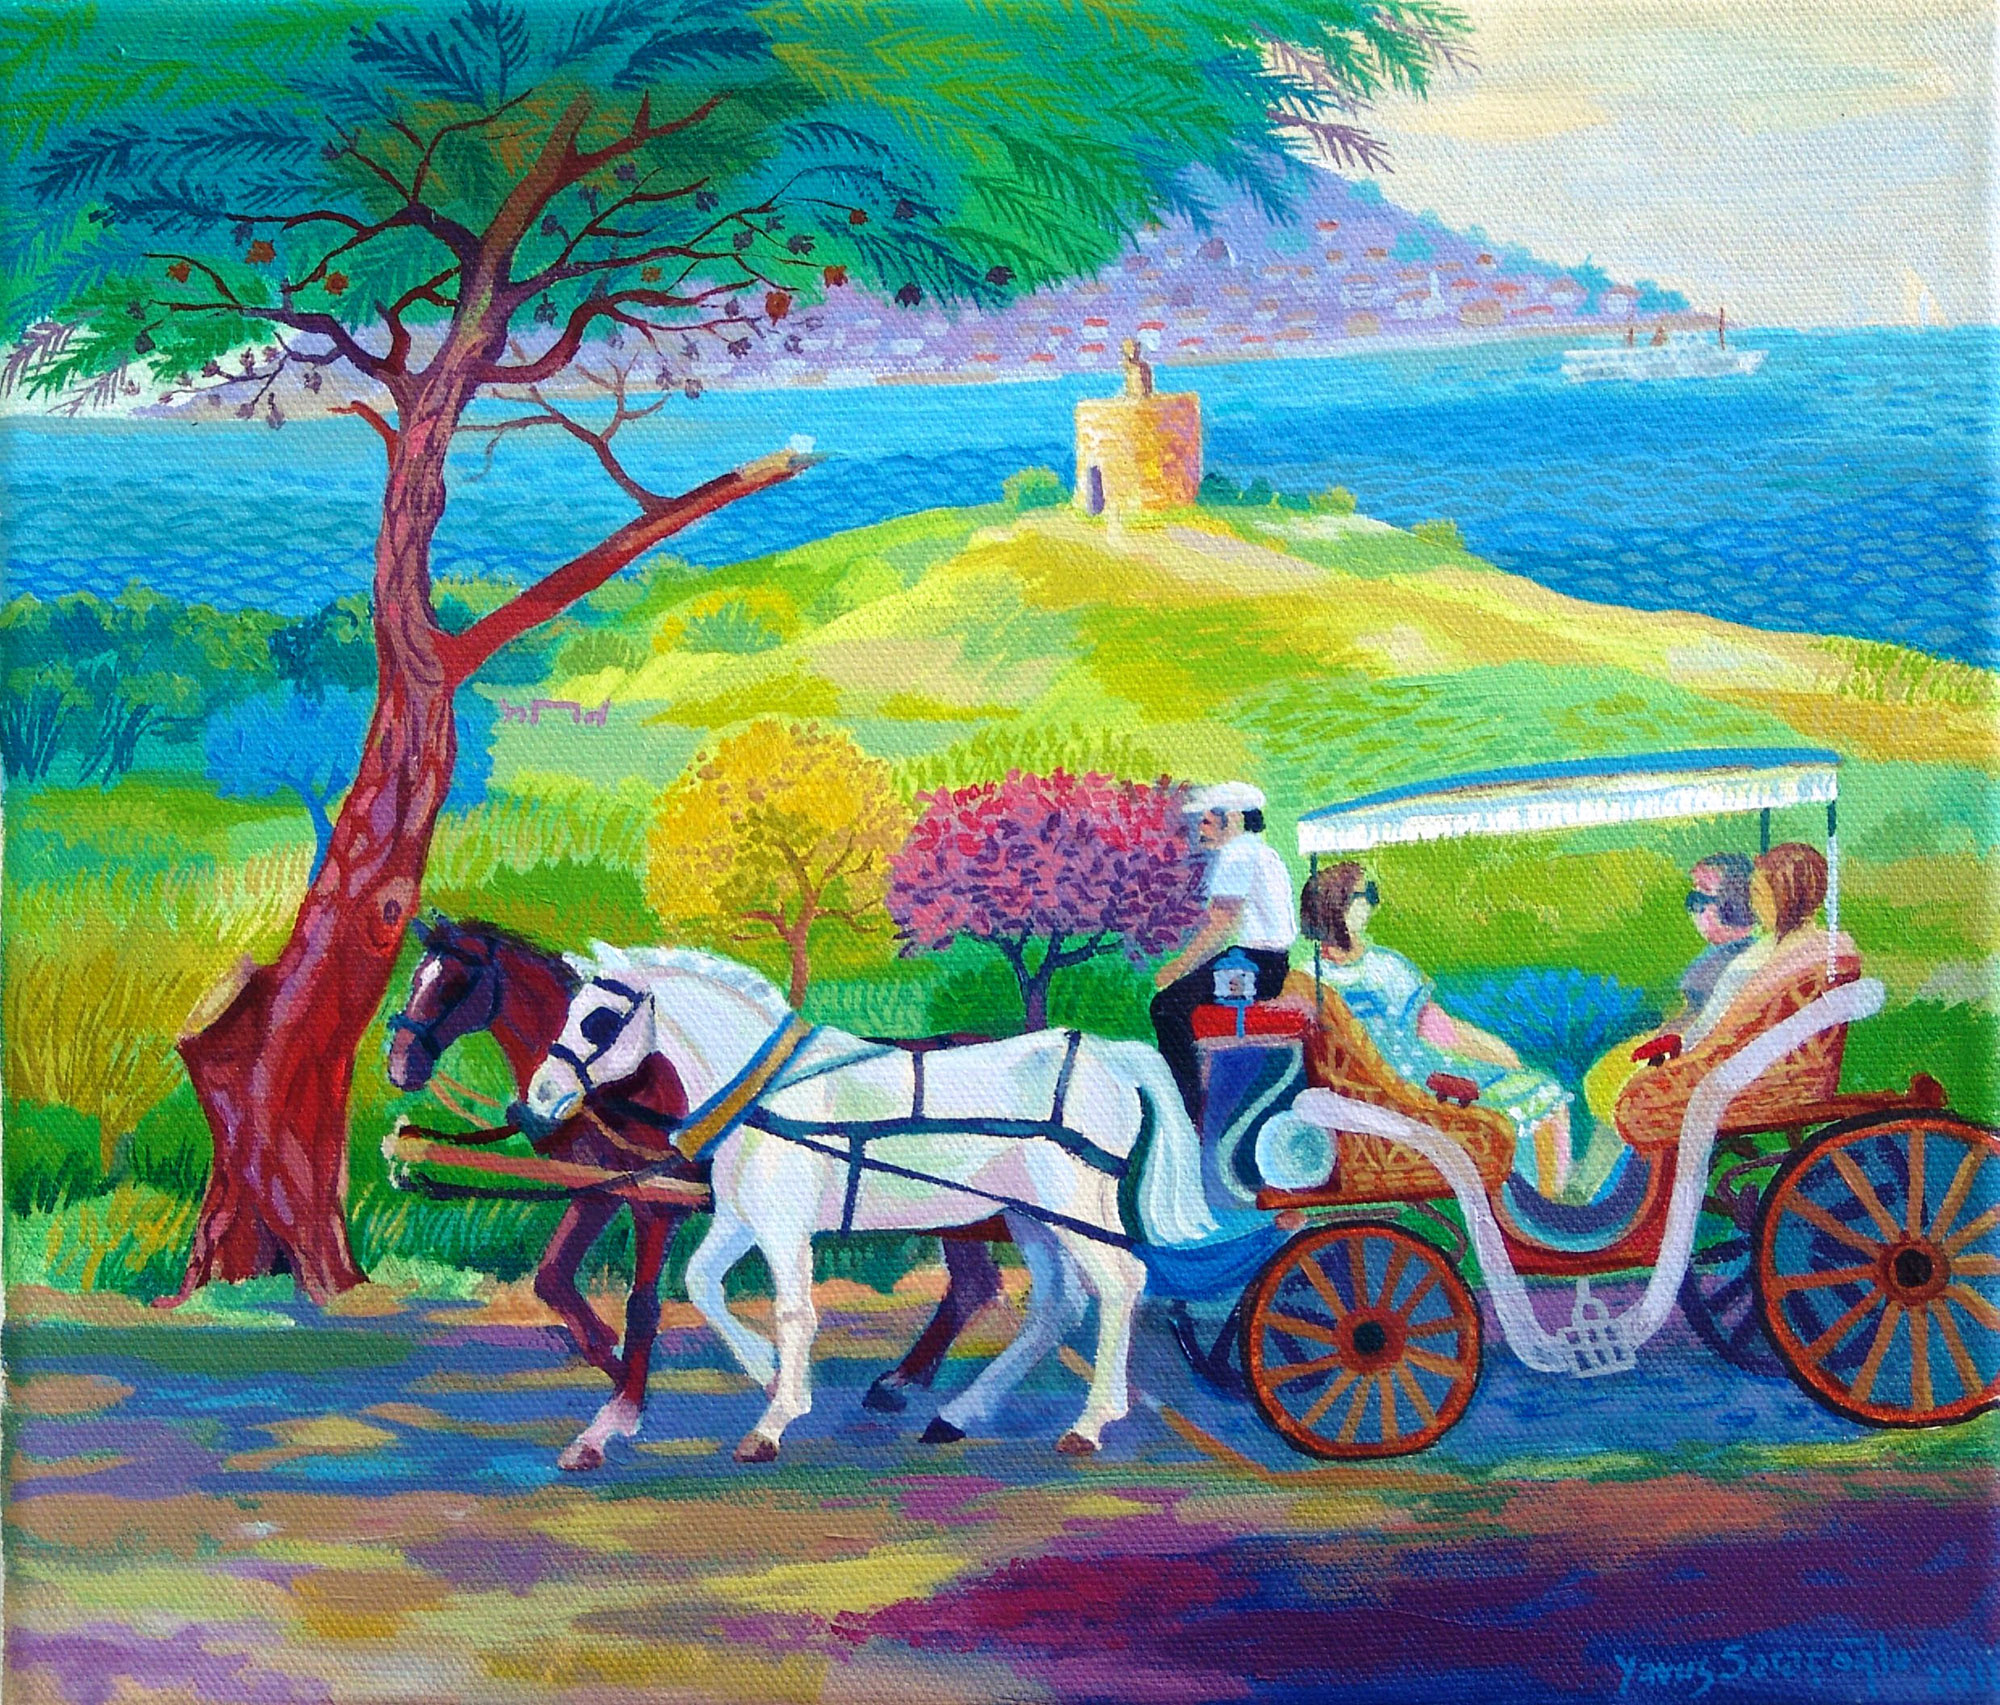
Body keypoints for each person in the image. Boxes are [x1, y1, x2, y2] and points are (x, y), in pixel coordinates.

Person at [1280, 862, 1575, 1198]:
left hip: (1368, 1096)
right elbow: (1440, 1031)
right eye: (1368, 894)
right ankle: (1549, 1199)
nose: (1374, 903)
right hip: (1417, 1084)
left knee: (1527, 1090)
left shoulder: (1306, 979)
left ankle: (1534, 1197)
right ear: (1339, 906)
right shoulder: (1384, 968)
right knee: (1546, 1093)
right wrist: (1501, 1053)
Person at [1150, 782, 1295, 1120]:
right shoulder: (1262, 852)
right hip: (1268, 964)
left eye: (1206, 820)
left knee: (1166, 1008)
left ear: (1233, 819)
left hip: (1254, 967)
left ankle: (1185, 1111)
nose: (1200, 829)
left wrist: (1179, 966)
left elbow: (1221, 921)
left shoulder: (1238, 853)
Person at [1582, 852, 1757, 1126]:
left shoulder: (1724, 966)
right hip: (1701, 1048)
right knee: (1606, 1076)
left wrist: (1659, 1041)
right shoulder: (1744, 954)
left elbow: (1698, 1021)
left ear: (1733, 907)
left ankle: (1634, 1144)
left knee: (1607, 1081)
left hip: (1694, 1056)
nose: (1692, 911)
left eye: (1699, 900)